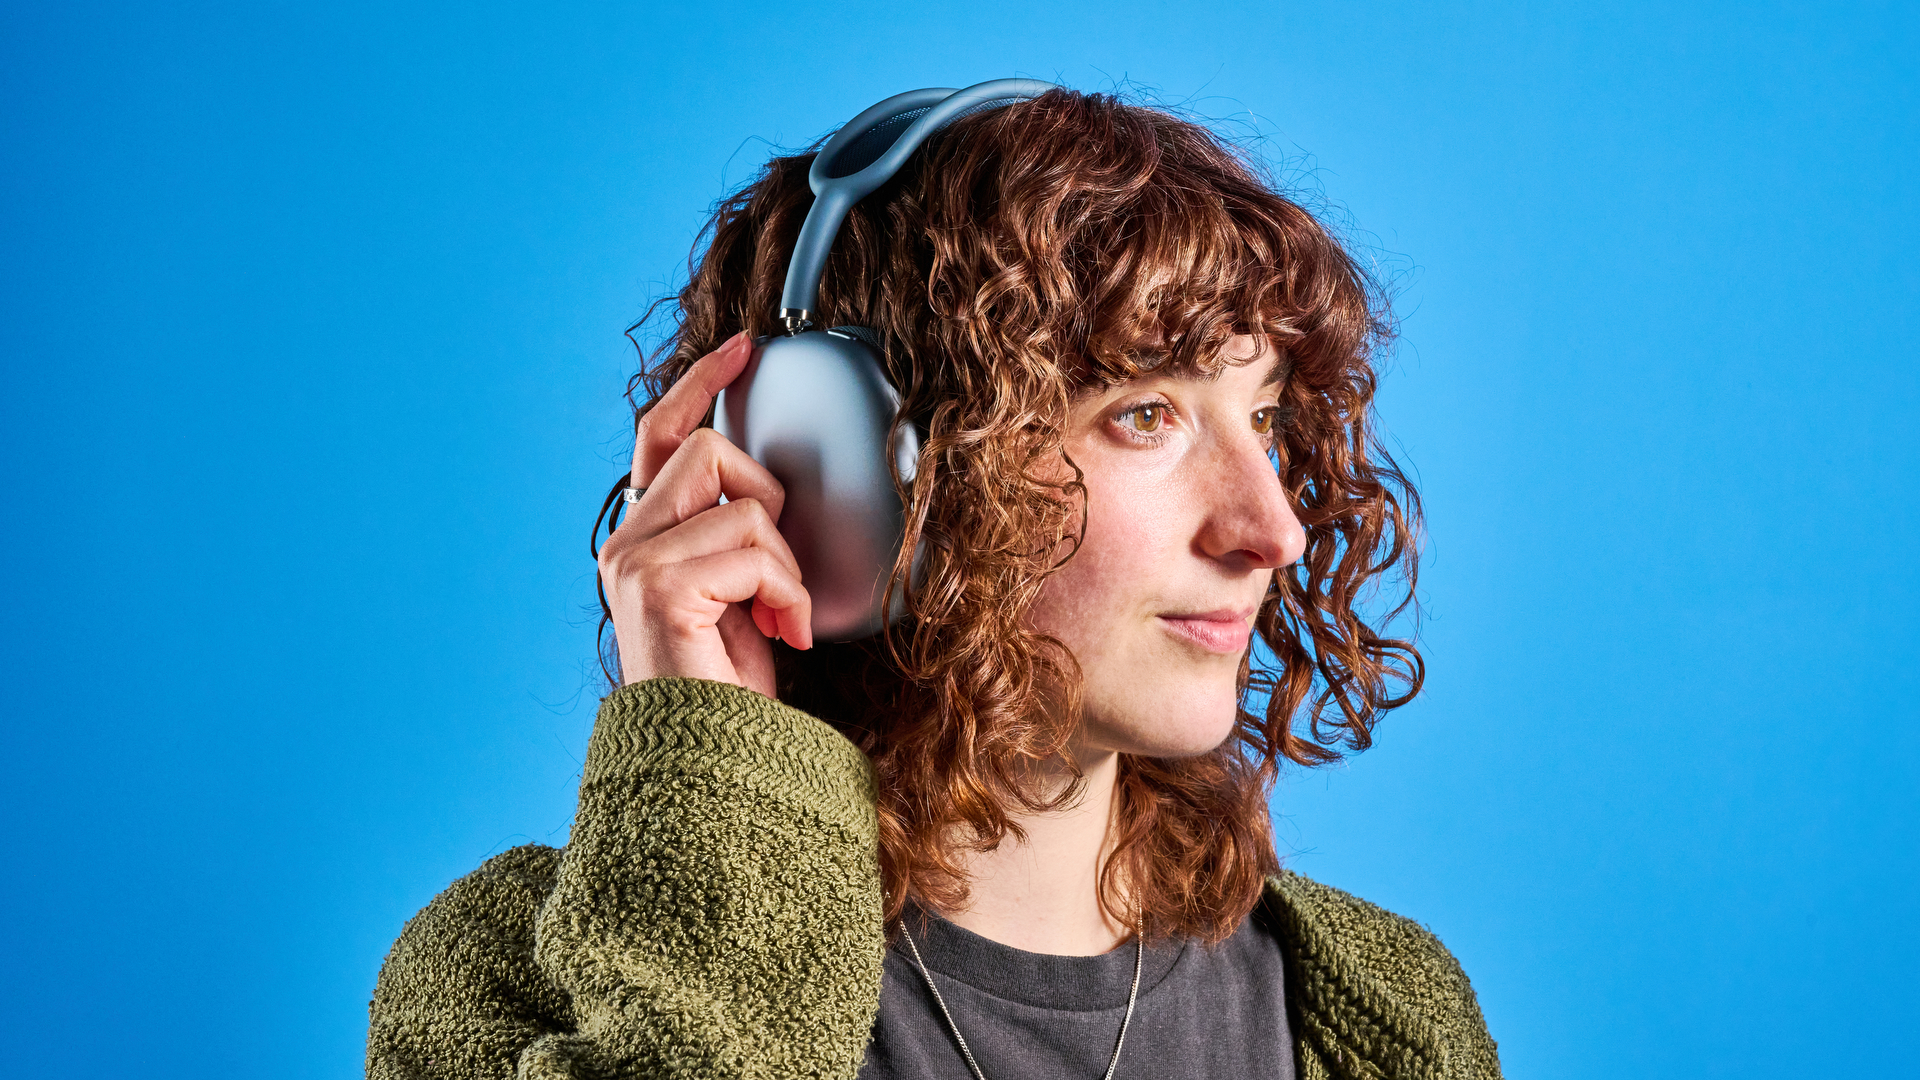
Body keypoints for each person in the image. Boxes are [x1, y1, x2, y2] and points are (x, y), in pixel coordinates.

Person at [365, 87, 1502, 1079]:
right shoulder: (509, 986)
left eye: (1260, 419)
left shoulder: (1383, 1017)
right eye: (1145, 414)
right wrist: (711, 772)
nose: (1275, 531)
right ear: (847, 475)